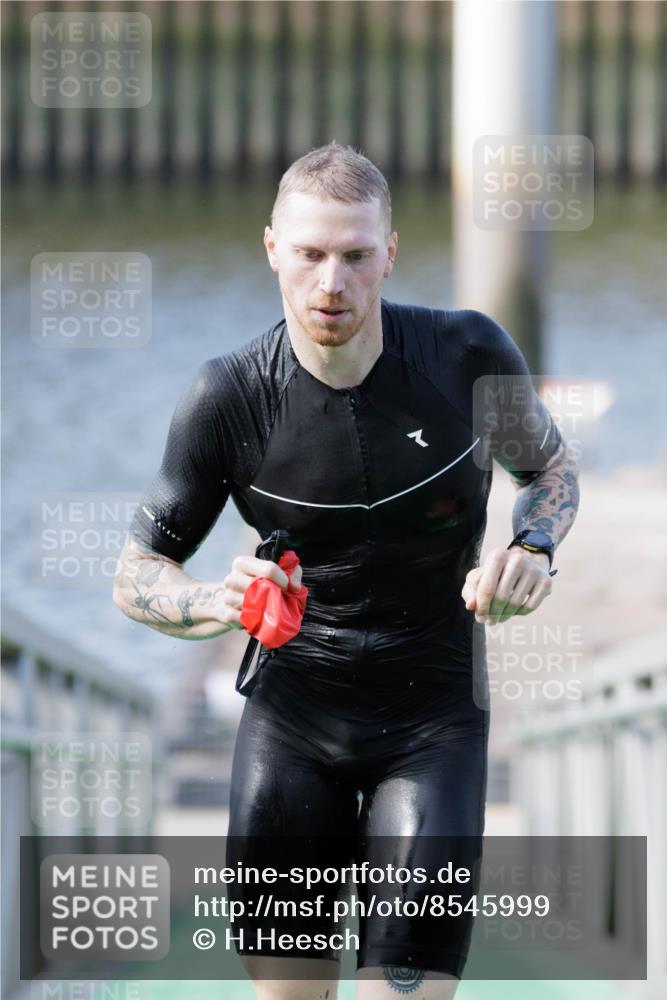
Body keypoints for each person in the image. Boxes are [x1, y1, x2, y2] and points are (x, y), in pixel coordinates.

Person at [113, 141, 580, 999]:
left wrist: (531, 547)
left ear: (389, 254)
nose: (332, 283)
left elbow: (548, 468)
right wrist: (210, 601)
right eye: (310, 253)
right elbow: (138, 570)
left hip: (433, 723)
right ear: (271, 249)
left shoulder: (467, 356)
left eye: (356, 256)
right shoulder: (227, 398)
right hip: (292, 724)